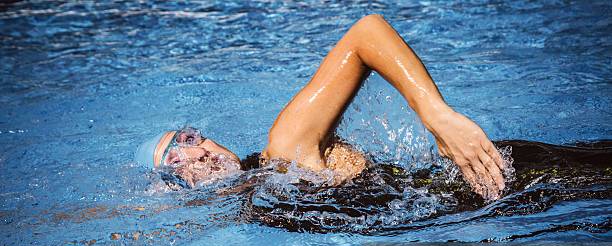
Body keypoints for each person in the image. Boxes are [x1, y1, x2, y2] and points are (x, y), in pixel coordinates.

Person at [135, 14, 506, 199]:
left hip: (514, 182)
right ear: (175, 187)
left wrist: (438, 118)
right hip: (493, 208)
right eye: (175, 158)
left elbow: (367, 33)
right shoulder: (261, 192)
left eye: (190, 138)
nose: (198, 152)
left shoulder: (285, 149)